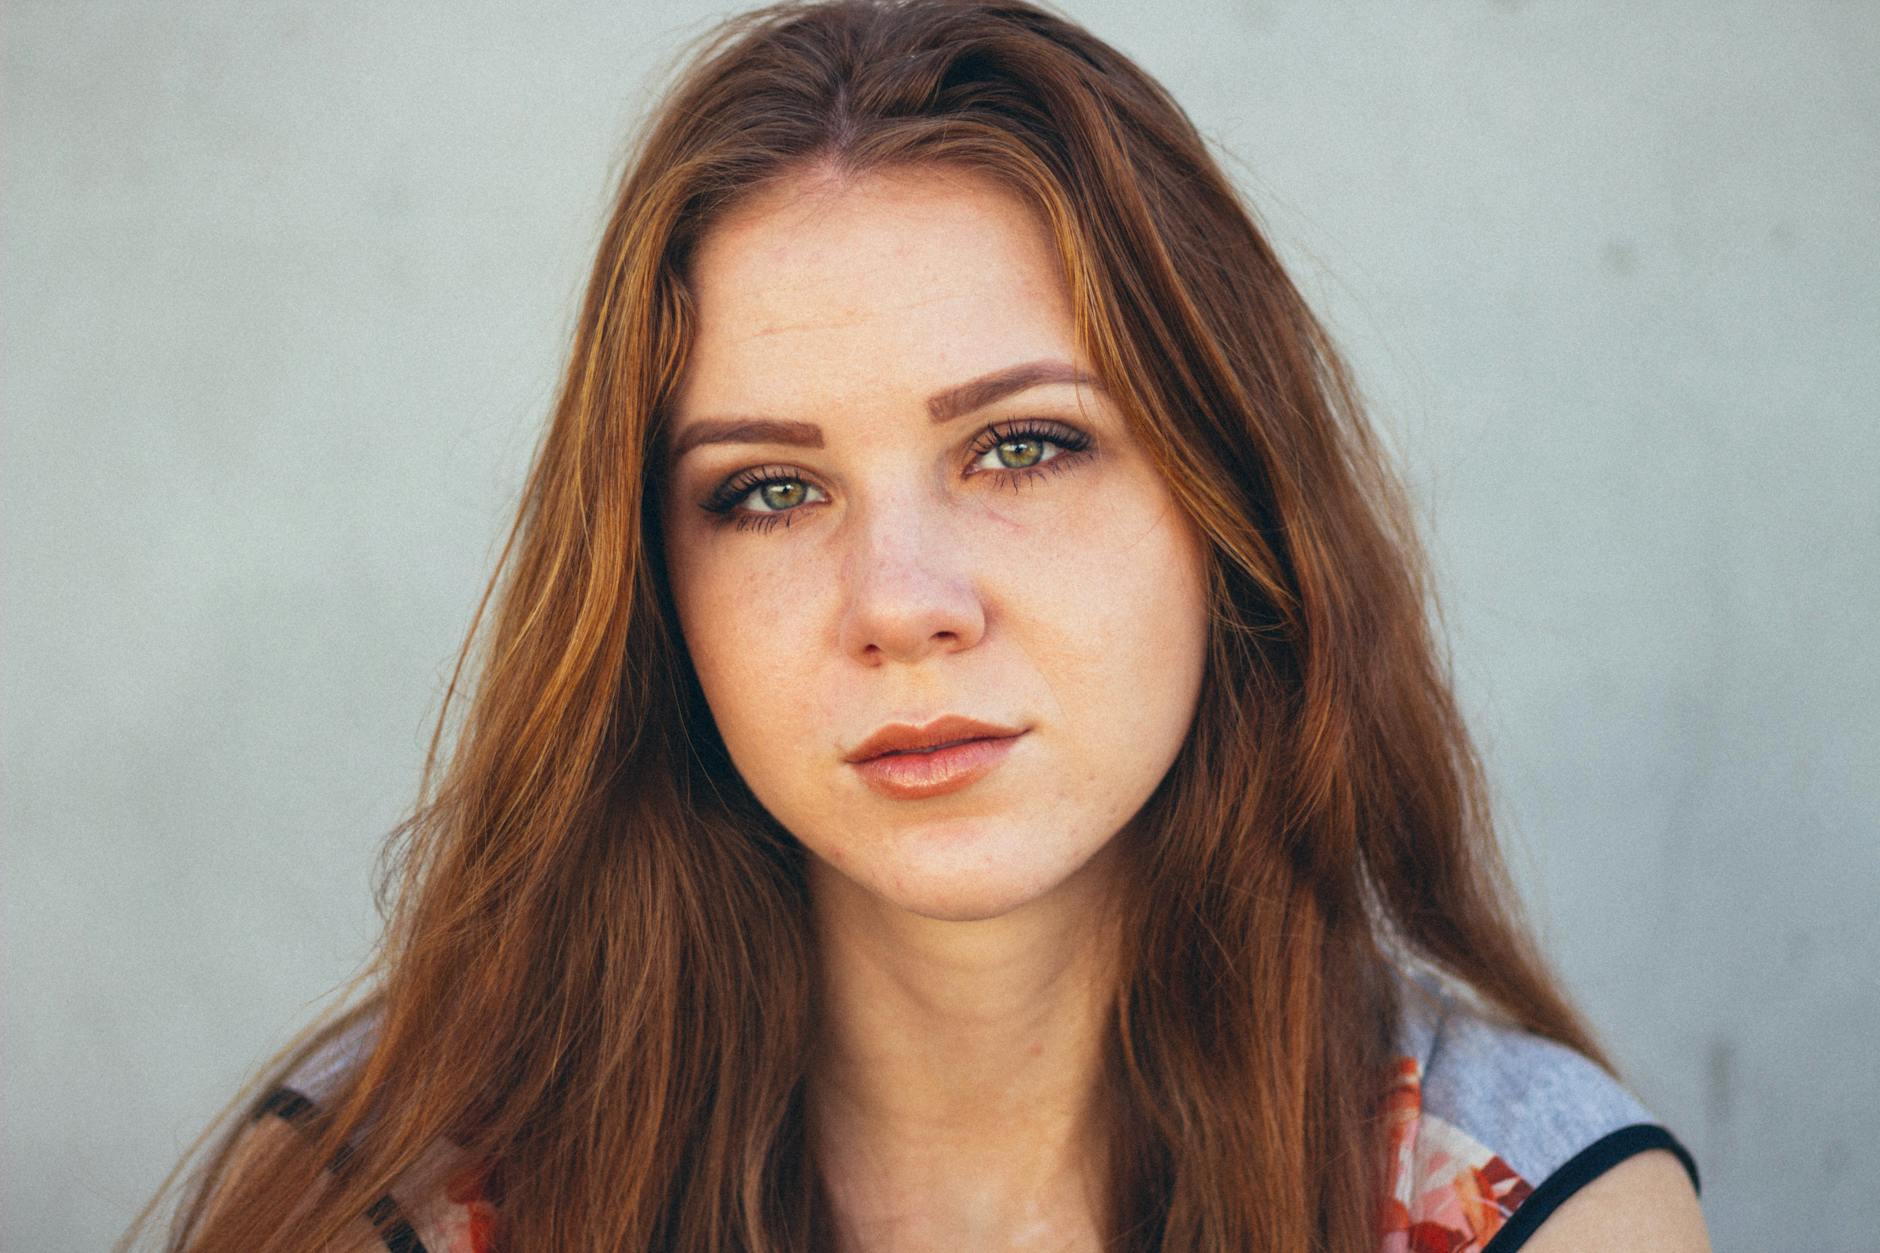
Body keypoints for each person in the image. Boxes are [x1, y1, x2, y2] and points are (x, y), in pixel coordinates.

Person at [125, 2, 1711, 1250]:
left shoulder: (1539, 1208)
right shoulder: (381, 1201)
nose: (900, 604)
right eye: (765, 490)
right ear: (653, 591)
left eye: (1023, 446)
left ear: (1230, 510)